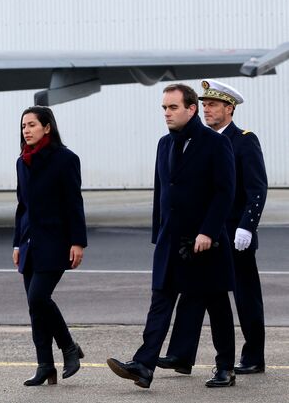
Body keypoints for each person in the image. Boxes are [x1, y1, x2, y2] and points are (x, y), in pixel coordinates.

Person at [107, 83, 237, 388]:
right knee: (160, 301)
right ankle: (143, 365)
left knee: (216, 305)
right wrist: (159, 233)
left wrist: (208, 231)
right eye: (164, 108)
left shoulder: (215, 144)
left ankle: (225, 367)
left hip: (205, 243)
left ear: (191, 109)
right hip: (171, 241)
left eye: (173, 107)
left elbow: (224, 192)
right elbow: (161, 193)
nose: (167, 113)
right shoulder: (164, 144)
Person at [158, 80, 268, 376]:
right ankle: (182, 355)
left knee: (245, 298)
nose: (207, 110)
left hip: (235, 234)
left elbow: (256, 189)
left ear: (229, 109)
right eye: (204, 105)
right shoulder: (197, 140)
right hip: (207, 235)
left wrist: (247, 226)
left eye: (213, 105)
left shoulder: (244, 141)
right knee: (200, 294)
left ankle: (254, 355)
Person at [12, 106, 87, 386]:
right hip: (29, 243)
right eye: (23, 126)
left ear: (47, 127)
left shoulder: (65, 159)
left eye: (32, 125)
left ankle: (69, 347)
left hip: (56, 243)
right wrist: (17, 242)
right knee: (35, 308)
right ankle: (45, 365)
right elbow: (22, 206)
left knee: (38, 298)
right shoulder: (22, 161)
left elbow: (74, 203)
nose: (27, 130)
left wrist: (78, 241)